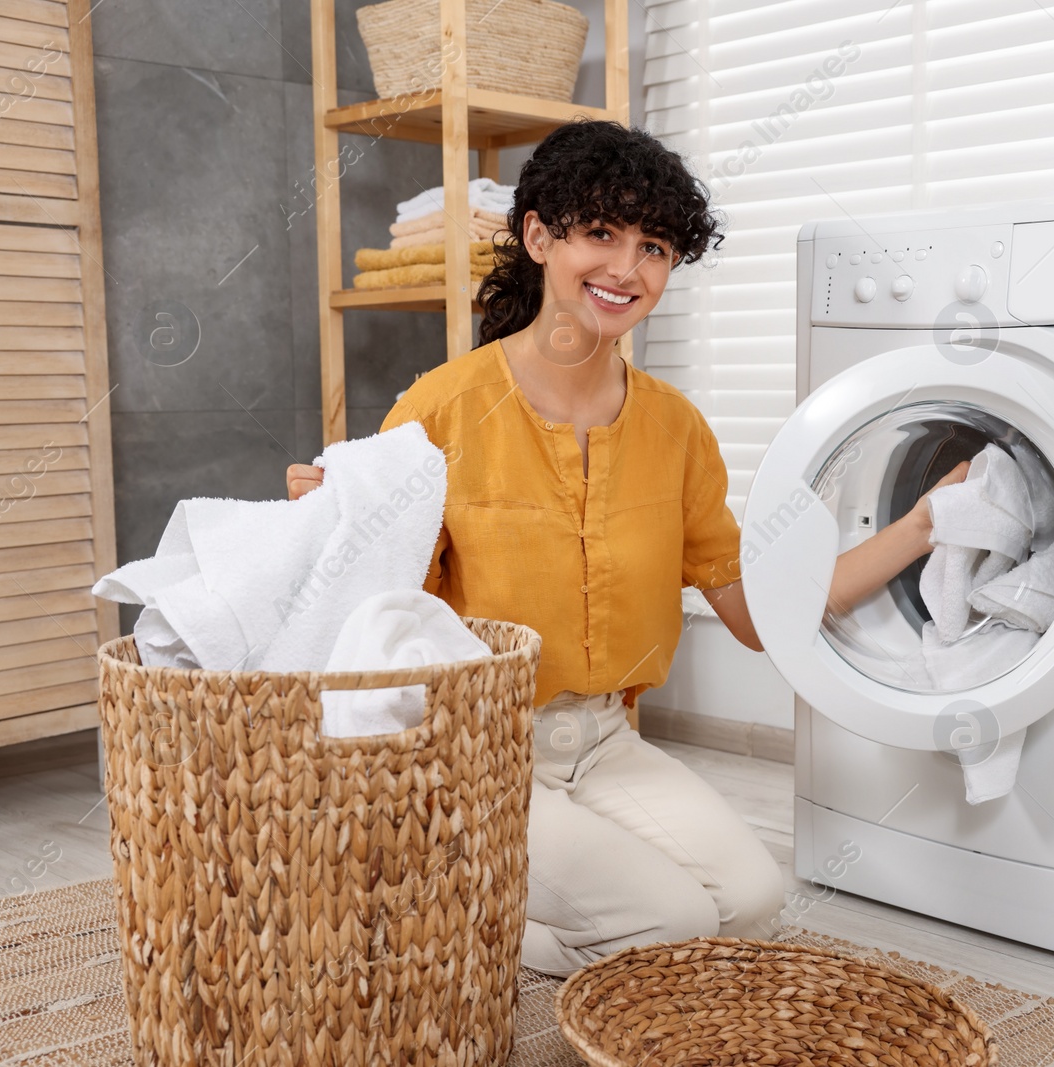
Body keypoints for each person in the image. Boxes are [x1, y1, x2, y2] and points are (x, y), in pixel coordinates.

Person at [287, 119, 965, 976]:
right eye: (600, 233)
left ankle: (504, 906)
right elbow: (374, 621)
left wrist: (921, 526)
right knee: (672, 919)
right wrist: (322, 522)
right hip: (472, 749)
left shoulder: (675, 429)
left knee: (752, 901)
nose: (626, 268)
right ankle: (451, 903)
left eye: (653, 246)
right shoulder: (440, 409)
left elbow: (761, 617)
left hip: (603, 741)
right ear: (538, 235)